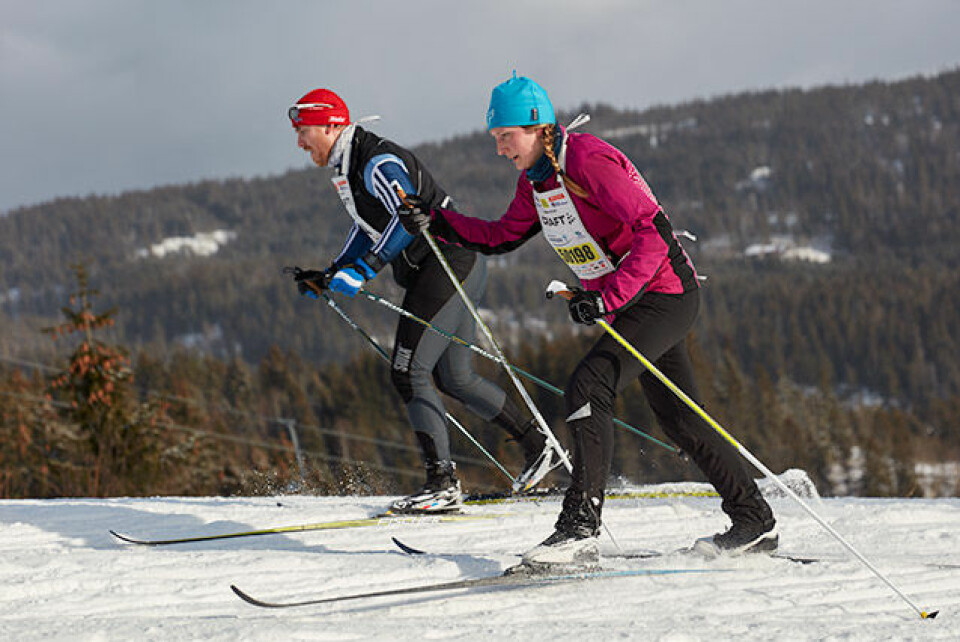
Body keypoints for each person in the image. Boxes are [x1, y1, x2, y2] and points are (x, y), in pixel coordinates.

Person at [399, 73, 777, 565]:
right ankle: (755, 522)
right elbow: (501, 237)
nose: (500, 149)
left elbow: (653, 233)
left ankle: (580, 526)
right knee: (681, 419)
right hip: (635, 299)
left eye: (505, 137)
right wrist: (439, 220)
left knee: (587, 386)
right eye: (495, 139)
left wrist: (608, 299)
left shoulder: (586, 159)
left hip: (665, 293)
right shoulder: (537, 181)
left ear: (536, 126)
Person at [286, 88, 557, 514]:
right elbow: (368, 226)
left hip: (447, 265)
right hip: (451, 267)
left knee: (408, 371)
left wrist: (365, 268)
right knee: (455, 378)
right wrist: (333, 269)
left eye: (303, 132)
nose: (299, 142)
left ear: (331, 125)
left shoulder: (376, 160)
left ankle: (441, 483)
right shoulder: (350, 164)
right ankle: (541, 450)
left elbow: (405, 217)